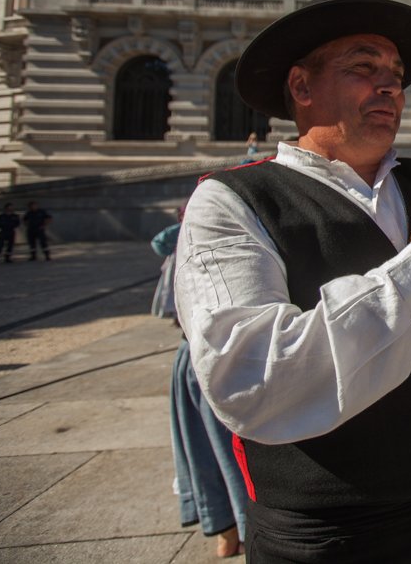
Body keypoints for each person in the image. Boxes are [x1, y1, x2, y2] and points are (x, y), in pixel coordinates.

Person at [174, 0, 411, 563]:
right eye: (364, 67)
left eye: (396, 75)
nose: (390, 87)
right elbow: (250, 377)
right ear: (302, 86)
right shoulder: (231, 203)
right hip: (333, 536)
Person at [153, 206, 249, 558]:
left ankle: (228, 529)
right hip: (212, 354)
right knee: (225, 450)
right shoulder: (212, 217)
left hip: (202, 350)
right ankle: (235, 527)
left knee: (212, 450)